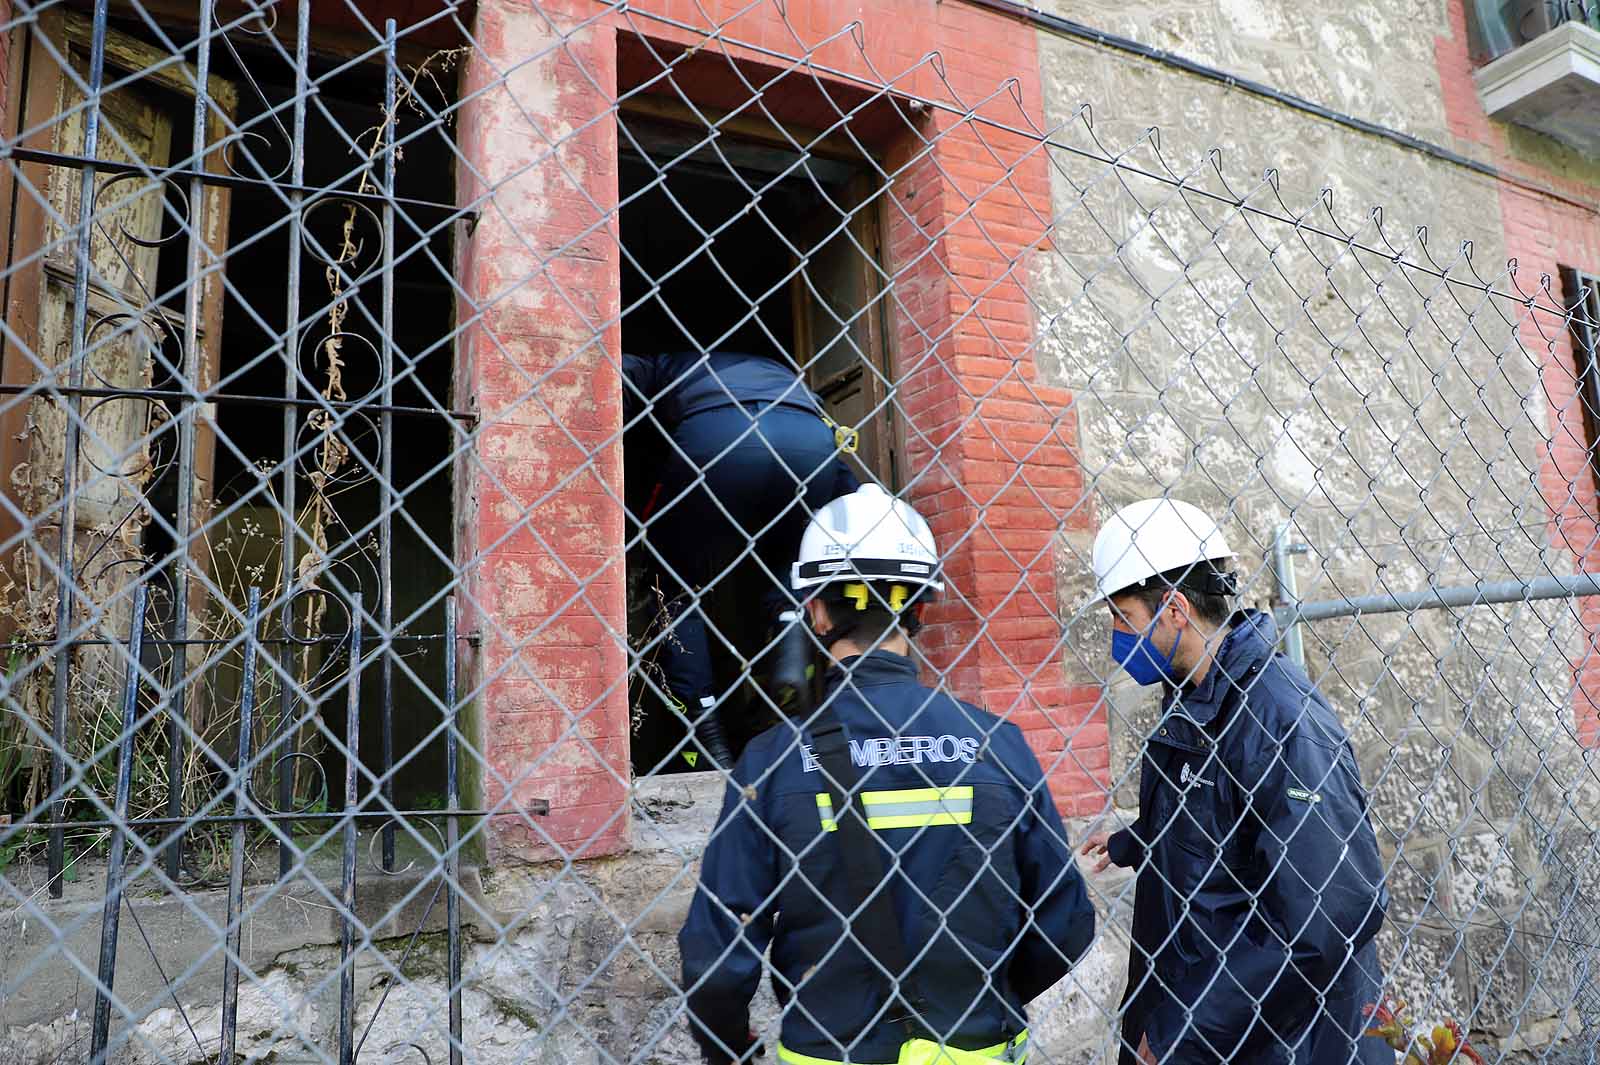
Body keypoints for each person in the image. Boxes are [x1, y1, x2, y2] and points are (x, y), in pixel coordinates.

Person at [679, 483, 1096, 1065]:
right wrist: (979, 996)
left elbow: (719, 950)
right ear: (922, 608)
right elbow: (1067, 920)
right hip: (978, 1044)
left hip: (833, 1049)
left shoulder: (772, 761)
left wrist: (726, 1046)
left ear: (816, 611)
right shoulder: (997, 744)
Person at [1077, 498, 1390, 1065]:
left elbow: (1324, 919)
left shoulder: (1281, 721)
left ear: (1174, 609)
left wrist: (1180, 1034)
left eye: (1122, 620)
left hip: (1279, 1040)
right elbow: (1219, 828)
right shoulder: (1195, 696)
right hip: (1213, 1014)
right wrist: (1135, 839)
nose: (1115, 639)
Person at [624, 350, 859, 768]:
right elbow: (842, 479)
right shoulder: (786, 375)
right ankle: (790, 641)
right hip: (808, 443)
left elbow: (614, 373)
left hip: (719, 437)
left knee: (675, 584)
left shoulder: (664, 364)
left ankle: (706, 731)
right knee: (793, 552)